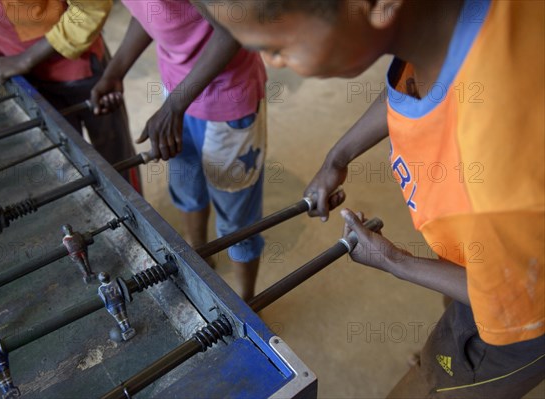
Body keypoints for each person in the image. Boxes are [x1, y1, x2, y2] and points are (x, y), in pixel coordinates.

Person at [202, 0, 545, 397]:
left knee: (445, 379)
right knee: (452, 315)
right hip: (490, 258)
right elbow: (410, 86)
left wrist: (394, 260)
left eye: (277, 47)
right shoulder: (442, 27)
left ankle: (444, 372)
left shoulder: (497, 171)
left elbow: (509, 298)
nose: (273, 63)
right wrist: (338, 156)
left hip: (518, 322)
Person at [91, 0, 267, 301]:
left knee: (237, 217)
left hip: (228, 98)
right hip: (176, 90)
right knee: (187, 184)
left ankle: (247, 301)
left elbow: (234, 26)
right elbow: (149, 11)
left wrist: (174, 106)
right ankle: (201, 257)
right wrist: (115, 70)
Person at [0, 0, 141, 190]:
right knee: (66, 157)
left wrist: (25, 59)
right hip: (24, 78)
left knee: (115, 154)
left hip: (78, 68)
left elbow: (91, 8)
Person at [97, 271, 135, 341]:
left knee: (119, 319)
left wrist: (108, 308)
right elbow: (120, 291)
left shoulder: (100, 289)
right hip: (120, 302)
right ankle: (129, 328)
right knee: (124, 316)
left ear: (100, 280)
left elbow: (104, 299)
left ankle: (124, 330)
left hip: (112, 306)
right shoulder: (115, 282)